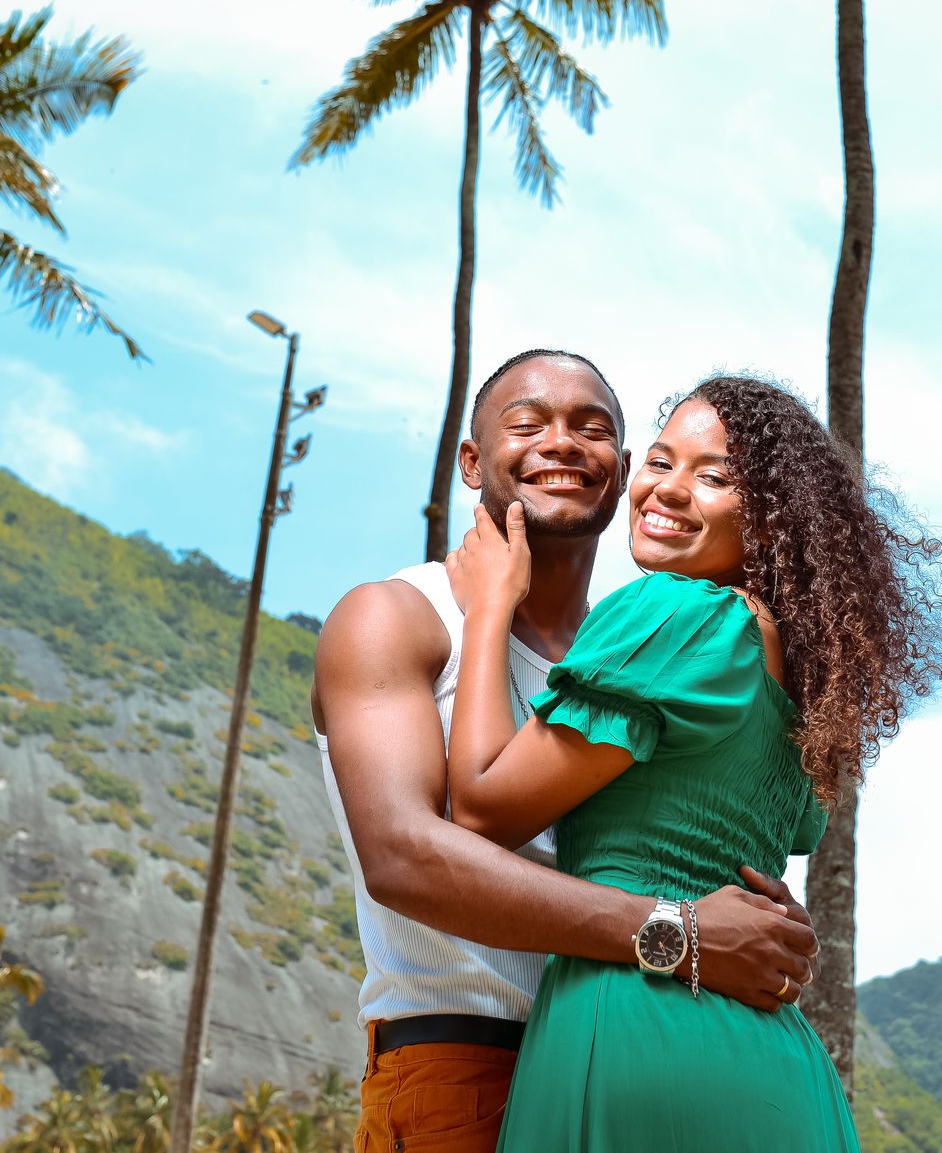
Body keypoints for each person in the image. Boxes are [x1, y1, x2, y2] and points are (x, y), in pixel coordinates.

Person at [443, 373, 942, 1152]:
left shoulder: (677, 613)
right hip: (774, 1059)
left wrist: (490, 605)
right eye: (660, 463)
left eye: (716, 477)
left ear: (772, 523)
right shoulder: (796, 681)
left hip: (640, 1023)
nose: (671, 490)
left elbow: (484, 809)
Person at [311, 351, 822, 1153]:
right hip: (467, 1063)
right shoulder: (399, 617)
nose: (561, 443)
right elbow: (403, 856)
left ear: (619, 476)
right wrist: (679, 933)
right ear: (472, 461)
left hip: (643, 1034)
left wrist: (754, 920)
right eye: (527, 423)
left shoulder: (640, 648)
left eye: (594, 430)